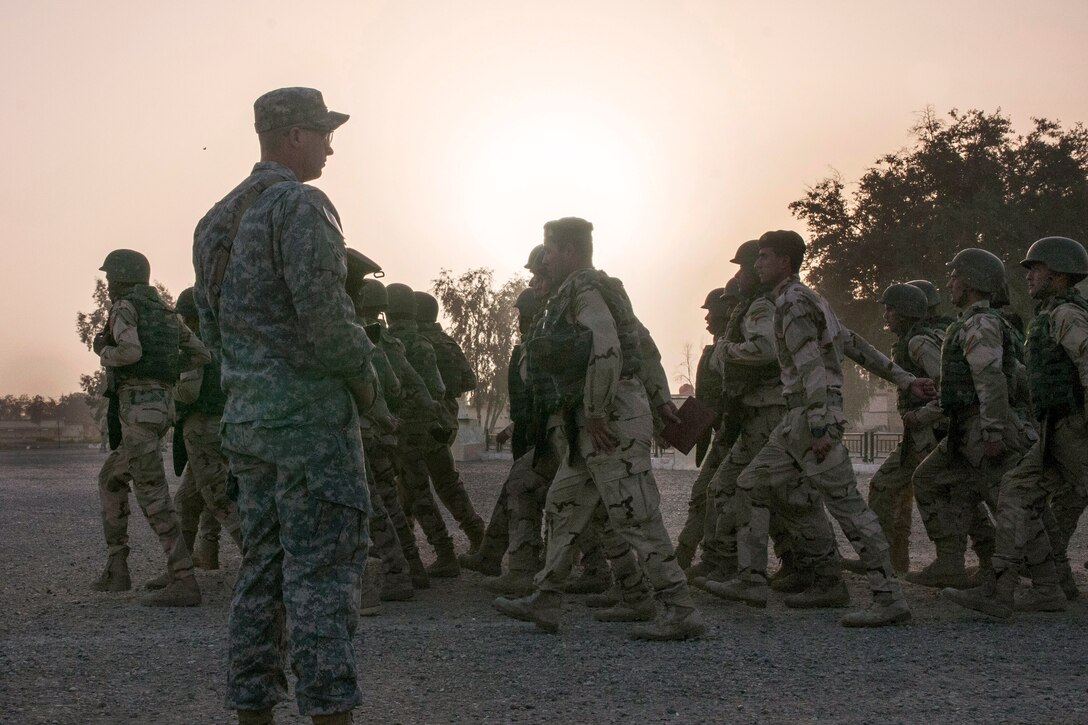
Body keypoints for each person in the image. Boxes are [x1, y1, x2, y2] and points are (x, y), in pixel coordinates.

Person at [193, 87, 374, 725]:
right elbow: (327, 324)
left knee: (261, 573)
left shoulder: (215, 221)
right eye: (323, 131)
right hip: (310, 431)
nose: (331, 144)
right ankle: (329, 711)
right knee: (321, 576)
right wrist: (367, 381)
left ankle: (252, 709)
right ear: (293, 135)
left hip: (248, 425)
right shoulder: (300, 205)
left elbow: (211, 331)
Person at [493, 217, 705, 641]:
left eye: (549, 251)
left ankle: (680, 609)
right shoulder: (600, 291)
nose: (545, 260)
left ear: (569, 250)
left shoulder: (585, 292)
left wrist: (595, 410)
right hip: (593, 424)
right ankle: (546, 598)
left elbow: (607, 346)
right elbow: (643, 345)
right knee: (564, 505)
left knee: (635, 514)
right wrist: (659, 396)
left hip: (608, 420)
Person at [707, 231, 933, 627]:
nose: (756, 265)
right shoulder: (810, 299)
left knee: (848, 508)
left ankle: (889, 598)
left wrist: (821, 427)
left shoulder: (791, 304)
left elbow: (812, 367)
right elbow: (852, 342)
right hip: (799, 422)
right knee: (750, 484)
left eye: (763, 257)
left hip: (809, 421)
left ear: (784, 262)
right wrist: (902, 378)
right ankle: (751, 580)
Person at [945, 237, 1088, 618]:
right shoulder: (1049, 316)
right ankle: (1005, 590)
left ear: (1057, 274)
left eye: (1036, 269)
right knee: (1016, 491)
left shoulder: (1066, 316)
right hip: (1054, 429)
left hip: (1075, 429)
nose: (1028, 277)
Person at [909, 248, 1035, 592]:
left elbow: (990, 378)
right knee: (931, 481)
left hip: (982, 428)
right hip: (965, 429)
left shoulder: (980, 322)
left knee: (1010, 503)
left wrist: (994, 431)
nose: (949, 283)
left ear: (972, 283)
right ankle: (951, 564)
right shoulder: (970, 322)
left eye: (955, 277)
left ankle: (1047, 582)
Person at [91, 249, 210, 606]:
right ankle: (117, 568)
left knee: (153, 494)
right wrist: (171, 371)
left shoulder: (125, 307)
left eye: (112, 278)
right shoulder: (166, 313)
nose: (109, 284)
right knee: (111, 477)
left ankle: (184, 579)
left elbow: (129, 352)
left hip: (138, 410)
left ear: (123, 278)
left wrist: (103, 351)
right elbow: (201, 353)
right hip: (163, 409)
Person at [864, 283, 945, 574]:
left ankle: (965, 562)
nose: (886, 316)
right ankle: (890, 562)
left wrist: (922, 416)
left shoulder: (919, 343)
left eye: (890, 309)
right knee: (888, 487)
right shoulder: (920, 339)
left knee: (949, 494)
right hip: (921, 436)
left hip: (932, 434)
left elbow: (945, 388)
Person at [168, 287, 243, 583]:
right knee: (187, 499)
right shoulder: (228, 342)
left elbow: (188, 392)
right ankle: (182, 569)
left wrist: (167, 392)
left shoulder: (196, 346)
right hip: (225, 425)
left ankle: (261, 561)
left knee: (220, 499)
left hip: (202, 429)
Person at [413, 290, 486, 550]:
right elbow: (469, 381)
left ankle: (435, 547)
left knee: (414, 485)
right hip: (445, 420)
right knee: (446, 484)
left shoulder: (413, 342)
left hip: (419, 422)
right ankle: (478, 535)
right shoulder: (446, 342)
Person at [673, 282, 736, 570]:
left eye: (711, 311)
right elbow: (706, 400)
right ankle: (690, 552)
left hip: (740, 432)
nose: (707, 318)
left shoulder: (735, 350)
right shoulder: (717, 349)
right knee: (705, 493)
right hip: (726, 433)